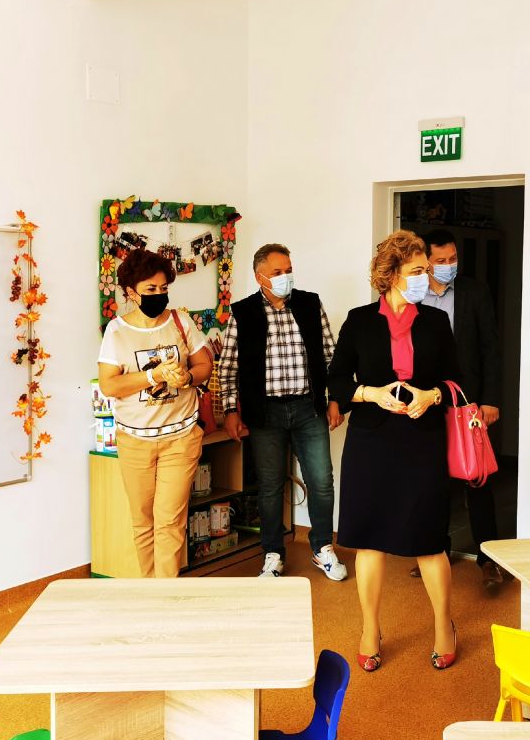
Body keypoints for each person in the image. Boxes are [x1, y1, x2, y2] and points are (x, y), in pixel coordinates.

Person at [328, 229, 461, 672]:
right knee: (369, 540)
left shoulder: (436, 322)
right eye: (417, 270)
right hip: (372, 442)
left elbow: (457, 380)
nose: (427, 277)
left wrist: (431, 395)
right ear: (391, 275)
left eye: (427, 269)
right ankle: (370, 628)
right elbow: (337, 380)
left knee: (429, 539)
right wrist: (371, 394)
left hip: (423, 442)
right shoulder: (359, 321)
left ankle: (443, 626)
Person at [218, 243, 347, 581]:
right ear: (259, 277)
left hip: (308, 407)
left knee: (321, 481)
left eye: (288, 270)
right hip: (265, 413)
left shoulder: (309, 303)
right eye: (277, 272)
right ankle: (273, 554)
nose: (285, 277)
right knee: (270, 486)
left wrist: (336, 399)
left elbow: (331, 356)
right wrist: (230, 410)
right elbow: (228, 367)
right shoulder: (243, 312)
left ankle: (322, 548)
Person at [97, 248, 213, 577]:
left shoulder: (180, 321)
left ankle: (166, 594)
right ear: (131, 292)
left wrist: (186, 377)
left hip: (180, 437)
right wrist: (154, 376)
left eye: (164, 288)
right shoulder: (116, 331)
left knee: (170, 520)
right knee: (143, 521)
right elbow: (109, 384)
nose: (159, 295)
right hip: (135, 441)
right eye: (150, 289)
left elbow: (204, 365)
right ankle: (150, 591)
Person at [413, 228, 506, 591]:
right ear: (425, 261)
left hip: (468, 401)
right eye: (440, 260)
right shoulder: (413, 294)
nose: (448, 265)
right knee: (431, 479)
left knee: (477, 478)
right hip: (426, 400)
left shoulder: (474, 292)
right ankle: (435, 550)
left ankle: (489, 559)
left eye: (453, 259)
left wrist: (491, 399)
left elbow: (490, 348)